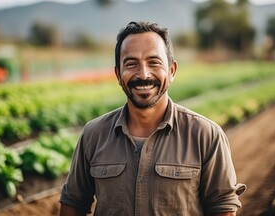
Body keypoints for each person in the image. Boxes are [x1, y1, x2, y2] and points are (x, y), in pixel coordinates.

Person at [59, 21, 246, 216]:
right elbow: (74, 202)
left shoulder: (205, 135)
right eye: (131, 64)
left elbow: (222, 207)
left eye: (154, 62)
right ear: (117, 74)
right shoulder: (93, 135)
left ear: (172, 71)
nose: (143, 74)